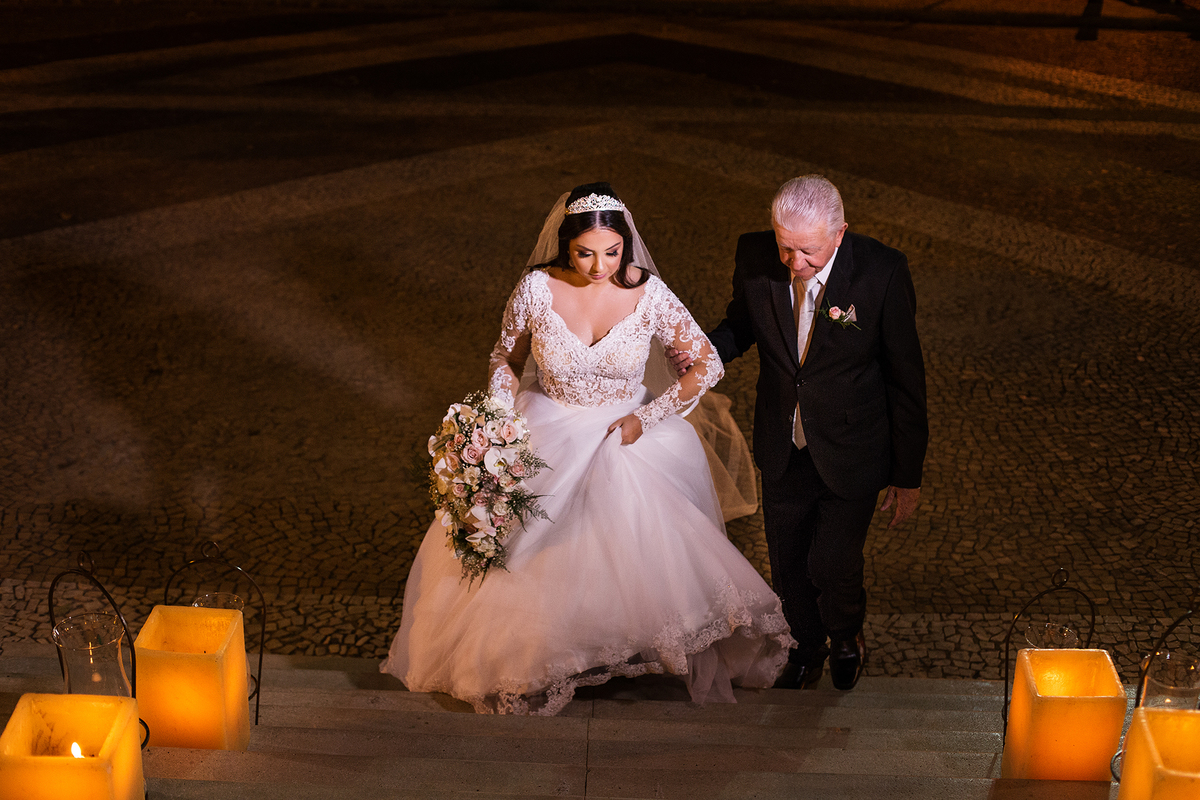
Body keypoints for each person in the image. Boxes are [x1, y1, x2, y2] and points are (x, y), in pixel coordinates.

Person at [381, 182, 794, 715]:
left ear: (627, 246)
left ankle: (616, 646)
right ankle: (544, 658)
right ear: (565, 245)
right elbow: (504, 359)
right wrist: (498, 417)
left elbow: (706, 363)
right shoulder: (535, 289)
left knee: (633, 553)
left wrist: (646, 417)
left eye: (612, 252)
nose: (599, 266)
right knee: (535, 558)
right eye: (585, 253)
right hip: (545, 429)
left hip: (628, 436)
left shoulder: (649, 295)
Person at [671, 175, 927, 691]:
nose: (793, 262)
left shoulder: (881, 272)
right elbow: (741, 325)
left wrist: (907, 474)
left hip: (851, 447)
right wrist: (702, 354)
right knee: (787, 562)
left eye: (806, 250)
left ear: (840, 234)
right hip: (782, 440)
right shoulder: (755, 254)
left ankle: (846, 633)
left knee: (832, 561)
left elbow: (906, 378)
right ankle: (806, 650)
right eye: (784, 246)